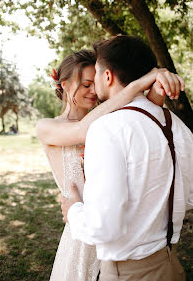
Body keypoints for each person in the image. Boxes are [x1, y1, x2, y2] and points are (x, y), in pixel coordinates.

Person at [36, 46, 184, 281]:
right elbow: (82, 130)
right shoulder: (47, 126)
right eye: (86, 85)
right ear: (64, 84)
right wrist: (138, 83)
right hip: (82, 234)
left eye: (94, 82)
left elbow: (141, 114)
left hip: (120, 233)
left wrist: (157, 84)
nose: (94, 90)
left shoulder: (110, 121)